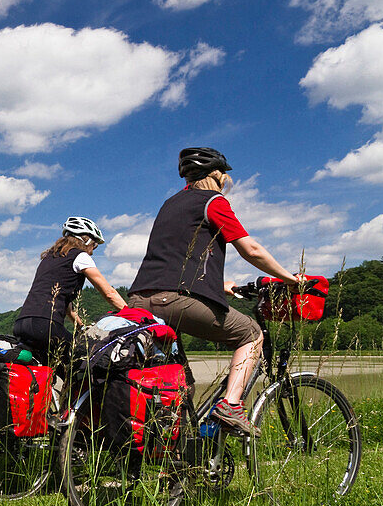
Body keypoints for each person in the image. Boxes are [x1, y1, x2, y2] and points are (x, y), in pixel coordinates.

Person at [127, 146, 301, 436]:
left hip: (140, 300)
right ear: (218, 175)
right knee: (251, 334)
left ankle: (181, 460)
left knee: (182, 384)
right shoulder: (214, 201)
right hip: (176, 300)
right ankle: (231, 406)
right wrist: (290, 279)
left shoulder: (170, 204)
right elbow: (252, 250)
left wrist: (221, 286)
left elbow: (173, 260)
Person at [14, 217, 127, 375]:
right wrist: (131, 313)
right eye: (94, 245)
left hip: (22, 324)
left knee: (62, 371)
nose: (93, 251)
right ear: (85, 240)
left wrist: (81, 327)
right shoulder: (80, 256)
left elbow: (68, 309)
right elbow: (109, 293)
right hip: (45, 326)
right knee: (89, 362)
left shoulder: (50, 258)